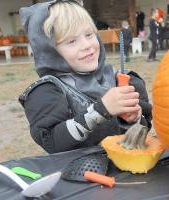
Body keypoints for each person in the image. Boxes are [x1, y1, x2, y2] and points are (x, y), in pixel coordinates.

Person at [18, 0, 152, 153]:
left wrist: (131, 120)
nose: (87, 45)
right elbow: (52, 142)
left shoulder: (121, 80)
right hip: (79, 173)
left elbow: (142, 131)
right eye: (72, 41)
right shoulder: (48, 91)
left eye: (89, 34)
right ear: (49, 51)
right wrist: (100, 111)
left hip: (125, 170)